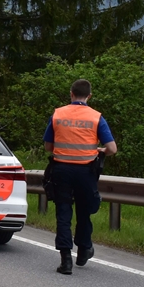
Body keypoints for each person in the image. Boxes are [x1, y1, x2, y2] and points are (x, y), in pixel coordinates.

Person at [43, 79, 117, 275]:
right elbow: (112, 149)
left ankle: (66, 260)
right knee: (84, 211)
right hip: (86, 172)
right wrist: (99, 150)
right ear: (89, 96)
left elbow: (48, 146)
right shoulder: (96, 117)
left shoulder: (58, 114)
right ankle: (84, 249)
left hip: (62, 170)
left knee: (63, 213)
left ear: (71, 94)